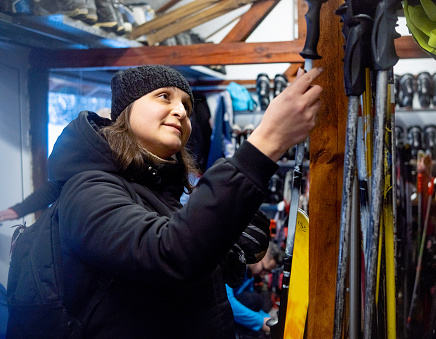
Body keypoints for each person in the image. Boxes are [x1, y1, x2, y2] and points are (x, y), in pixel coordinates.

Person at [7, 64, 323, 338]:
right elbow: (167, 252)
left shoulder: (158, 191)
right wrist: (266, 142)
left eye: (187, 104)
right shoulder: (87, 190)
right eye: (164, 97)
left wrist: (225, 243)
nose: (182, 110)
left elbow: (189, 273)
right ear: (126, 111)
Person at [226, 242, 284, 339]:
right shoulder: (233, 266)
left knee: (257, 301)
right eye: (264, 269)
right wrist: (261, 321)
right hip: (217, 314)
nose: (263, 275)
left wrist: (268, 320)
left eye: (267, 272)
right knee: (255, 299)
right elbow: (229, 303)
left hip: (231, 315)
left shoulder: (250, 276)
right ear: (259, 257)